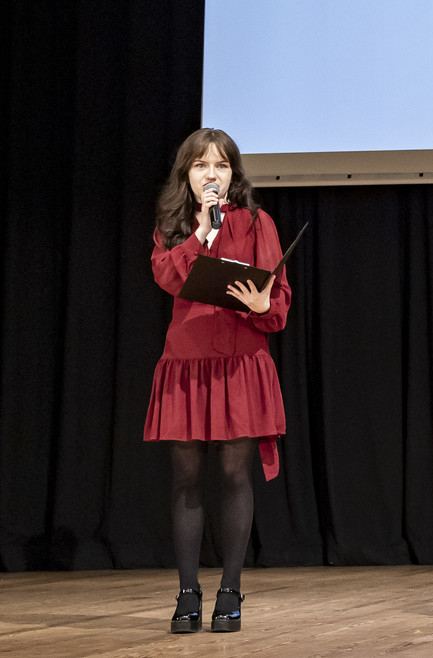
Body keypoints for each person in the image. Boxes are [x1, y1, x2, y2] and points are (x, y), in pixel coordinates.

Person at [144, 128, 291, 633]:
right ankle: (187, 592)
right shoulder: (174, 223)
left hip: (239, 361)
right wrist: (201, 235)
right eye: (202, 165)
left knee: (233, 475)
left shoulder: (257, 222)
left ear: (234, 174)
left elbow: (279, 303)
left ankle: (230, 589)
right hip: (187, 361)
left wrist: (263, 305)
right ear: (186, 174)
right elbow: (167, 277)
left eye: (222, 166)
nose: (213, 174)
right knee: (186, 478)